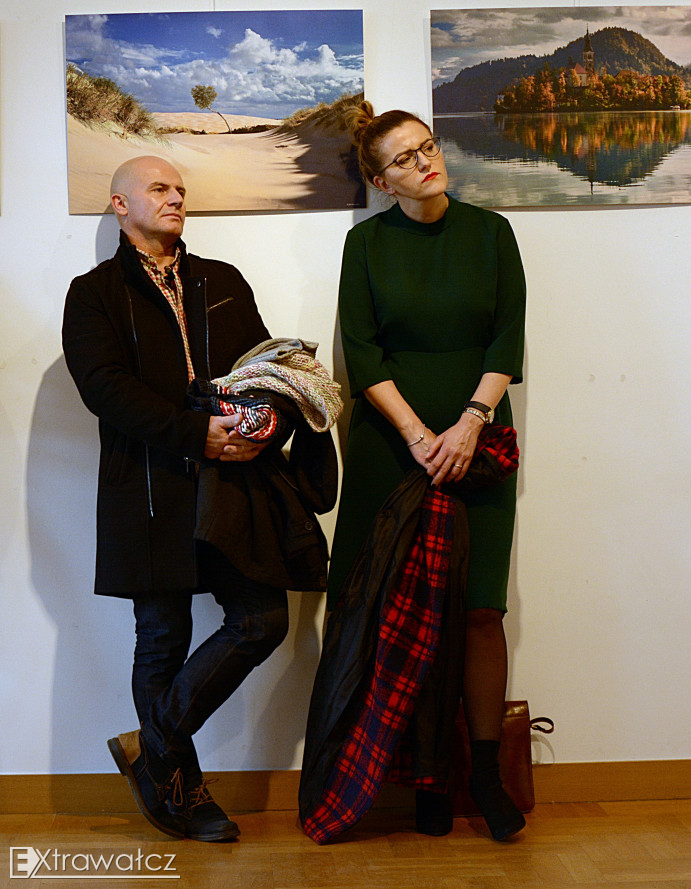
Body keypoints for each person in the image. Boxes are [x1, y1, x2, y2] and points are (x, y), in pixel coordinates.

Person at [63, 156, 294, 842]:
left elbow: (266, 369)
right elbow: (104, 388)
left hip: (232, 484)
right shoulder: (93, 293)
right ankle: (181, 792)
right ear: (119, 204)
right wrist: (198, 434)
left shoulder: (221, 280)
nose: (175, 198)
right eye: (159, 189)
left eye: (181, 190)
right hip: (148, 486)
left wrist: (264, 426)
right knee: (162, 637)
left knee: (263, 618)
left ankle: (152, 743)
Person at [324, 102, 527, 840]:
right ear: (381, 182)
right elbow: (362, 351)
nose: (425, 162)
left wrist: (470, 422)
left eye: (428, 147)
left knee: (479, 610)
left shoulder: (492, 233)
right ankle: (422, 777)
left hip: (479, 441)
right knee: (393, 611)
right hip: (391, 445)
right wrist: (417, 434)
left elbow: (507, 336)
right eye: (404, 159)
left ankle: (483, 774)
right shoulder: (366, 245)